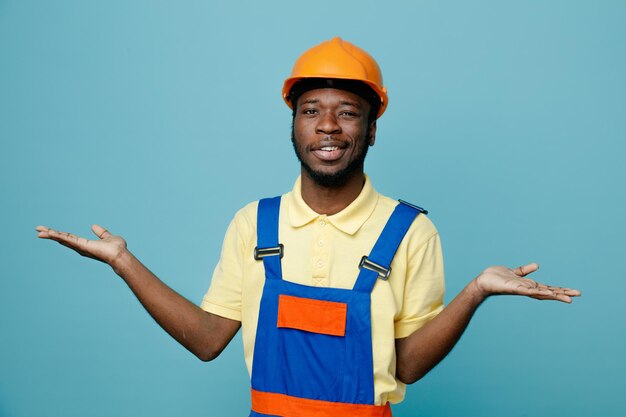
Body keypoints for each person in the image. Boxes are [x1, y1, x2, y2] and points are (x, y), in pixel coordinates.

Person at [36, 37, 580, 417]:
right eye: (310, 110)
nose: (326, 125)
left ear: (371, 132)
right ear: (293, 126)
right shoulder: (255, 224)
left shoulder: (409, 231)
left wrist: (476, 291)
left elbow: (407, 365)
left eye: (347, 112)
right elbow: (206, 341)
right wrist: (124, 262)